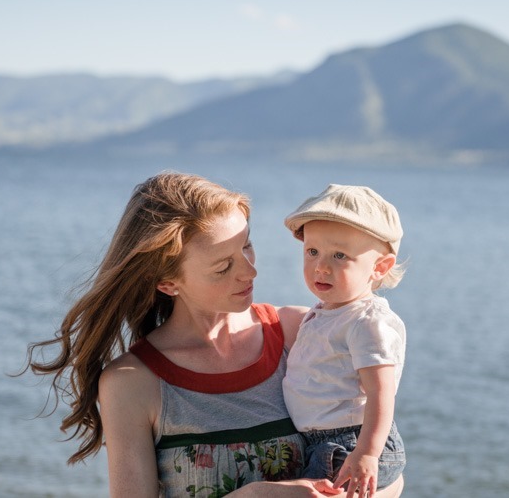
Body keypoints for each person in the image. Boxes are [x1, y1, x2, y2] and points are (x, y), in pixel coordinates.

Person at [25, 172, 381, 497]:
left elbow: (387, 467)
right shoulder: (133, 383)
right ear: (168, 282)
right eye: (223, 266)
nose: (250, 271)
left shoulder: (299, 332)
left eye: (246, 246)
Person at [282, 184, 407, 497]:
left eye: (340, 255)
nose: (321, 266)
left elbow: (381, 393)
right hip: (324, 442)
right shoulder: (329, 311)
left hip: (349, 443)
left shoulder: (365, 322)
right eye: (312, 252)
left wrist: (367, 454)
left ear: (380, 267)